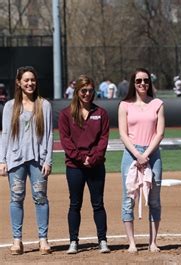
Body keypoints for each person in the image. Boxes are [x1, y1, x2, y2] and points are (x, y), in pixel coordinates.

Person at [0, 66, 53, 255]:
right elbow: (5, 134)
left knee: (40, 198)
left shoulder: (44, 105)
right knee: (16, 198)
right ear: (19, 83)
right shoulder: (9, 106)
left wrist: (48, 160)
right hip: (15, 159)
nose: (30, 83)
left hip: (38, 159)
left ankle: (43, 239)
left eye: (33, 80)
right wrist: (2, 160)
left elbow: (48, 135)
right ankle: (17, 240)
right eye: (26, 80)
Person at [58, 75, 111, 254]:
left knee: (98, 204)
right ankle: (73, 241)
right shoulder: (66, 114)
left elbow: (103, 139)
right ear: (77, 92)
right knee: (75, 204)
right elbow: (65, 141)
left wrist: (94, 158)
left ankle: (102, 240)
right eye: (84, 90)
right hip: (74, 167)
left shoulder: (101, 113)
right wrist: (81, 159)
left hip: (96, 166)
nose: (87, 94)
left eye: (90, 90)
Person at [118, 68, 165, 253]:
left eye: (146, 80)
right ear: (133, 83)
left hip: (152, 154)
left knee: (154, 199)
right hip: (131, 153)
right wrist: (137, 155)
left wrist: (146, 154)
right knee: (128, 198)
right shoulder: (124, 105)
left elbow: (160, 132)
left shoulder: (158, 104)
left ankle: (153, 242)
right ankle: (132, 243)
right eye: (138, 81)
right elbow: (122, 133)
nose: (142, 84)